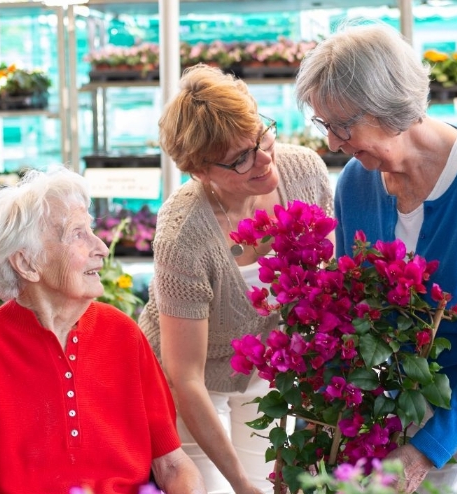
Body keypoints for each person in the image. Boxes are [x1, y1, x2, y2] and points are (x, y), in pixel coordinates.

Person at [294, 21, 457, 494]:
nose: (332, 143)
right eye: (324, 125)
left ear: (385, 108)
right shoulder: (356, 184)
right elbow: (357, 315)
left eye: (341, 126)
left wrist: (423, 451)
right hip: (419, 394)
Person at [0, 166, 205, 494]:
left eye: (92, 230)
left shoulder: (124, 334)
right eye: (77, 234)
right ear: (27, 263)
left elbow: (172, 465)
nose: (101, 247)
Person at [138, 63, 334, 494]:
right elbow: (184, 376)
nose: (264, 159)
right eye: (240, 158)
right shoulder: (184, 235)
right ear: (200, 170)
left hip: (269, 372)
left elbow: (327, 286)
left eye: (262, 136)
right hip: (197, 386)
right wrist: (241, 483)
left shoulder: (305, 173)